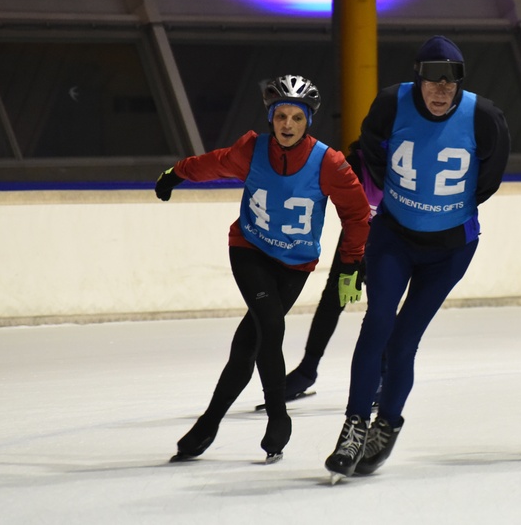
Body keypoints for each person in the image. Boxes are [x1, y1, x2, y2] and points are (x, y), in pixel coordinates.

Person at [154, 75, 370, 463]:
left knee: (247, 344)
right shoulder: (251, 150)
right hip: (250, 250)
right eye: (281, 116)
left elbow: (356, 215)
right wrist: (177, 174)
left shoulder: (329, 163)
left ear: (308, 122)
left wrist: (352, 265)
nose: (287, 124)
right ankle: (278, 416)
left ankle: (208, 423)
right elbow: (212, 163)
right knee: (270, 325)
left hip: (295, 265)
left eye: (297, 117)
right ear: (271, 118)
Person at [324, 36, 510, 478]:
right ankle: (354, 426)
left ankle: (386, 425)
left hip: (450, 250)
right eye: (432, 80)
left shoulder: (484, 117)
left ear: (460, 83)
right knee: (377, 324)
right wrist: (405, 200)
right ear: (417, 78)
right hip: (393, 237)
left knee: (404, 340)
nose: (441, 90)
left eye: (450, 82)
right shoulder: (391, 104)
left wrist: (445, 210)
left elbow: (491, 177)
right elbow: (371, 151)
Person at [279, 140, 384, 404]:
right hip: (356, 237)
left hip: (390, 243)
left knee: (382, 306)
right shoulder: (356, 164)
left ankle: (382, 374)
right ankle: (307, 369)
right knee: (333, 298)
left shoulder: (406, 162)